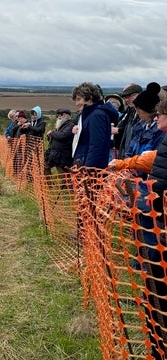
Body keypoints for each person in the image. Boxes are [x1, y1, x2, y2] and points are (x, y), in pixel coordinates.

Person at [109, 99, 167, 358]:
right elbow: (152, 160)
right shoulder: (163, 142)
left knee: (157, 277)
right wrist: (126, 164)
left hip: (160, 221)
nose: (157, 120)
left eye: (161, 115)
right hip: (156, 215)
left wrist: (142, 197)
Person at [71, 82, 118, 168]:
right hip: (84, 163)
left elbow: (96, 145)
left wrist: (88, 169)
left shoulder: (97, 115)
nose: (76, 103)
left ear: (89, 98)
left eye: (79, 99)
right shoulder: (90, 114)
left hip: (91, 169)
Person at [124, 82, 164, 178]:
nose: (137, 113)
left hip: (147, 179)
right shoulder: (139, 127)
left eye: (138, 109)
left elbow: (154, 160)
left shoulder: (160, 131)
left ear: (148, 109)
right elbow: (130, 150)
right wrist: (127, 166)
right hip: (134, 175)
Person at [113, 83, 143, 159]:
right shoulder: (131, 112)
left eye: (131, 96)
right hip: (126, 157)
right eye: (125, 97)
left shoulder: (145, 115)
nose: (126, 100)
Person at [44, 108, 75, 175]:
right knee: (45, 166)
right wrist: (49, 137)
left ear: (68, 116)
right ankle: (49, 185)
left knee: (63, 175)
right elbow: (55, 138)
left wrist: (52, 133)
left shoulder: (70, 125)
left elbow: (63, 136)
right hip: (55, 154)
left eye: (61, 114)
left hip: (62, 155)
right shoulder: (60, 126)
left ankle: (63, 186)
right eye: (58, 115)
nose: (59, 117)